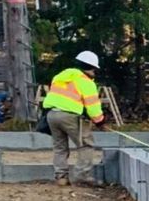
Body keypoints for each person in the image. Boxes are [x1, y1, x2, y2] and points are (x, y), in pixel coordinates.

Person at [42, 51, 105, 185]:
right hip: (70, 116)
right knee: (86, 145)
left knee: (60, 147)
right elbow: (92, 105)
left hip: (52, 115)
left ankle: (61, 177)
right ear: (91, 67)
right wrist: (99, 121)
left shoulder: (61, 76)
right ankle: (81, 176)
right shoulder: (85, 82)